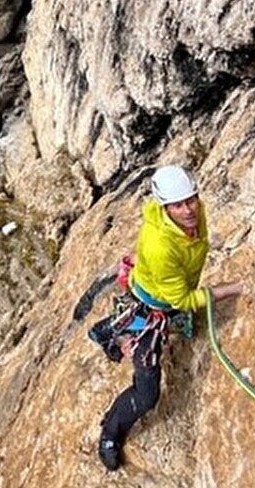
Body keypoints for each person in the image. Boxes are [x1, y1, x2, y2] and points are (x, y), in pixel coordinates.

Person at [94, 164, 243, 471]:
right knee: (147, 394)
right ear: (165, 207)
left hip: (163, 292)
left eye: (191, 199)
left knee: (182, 324)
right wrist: (232, 289)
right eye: (178, 205)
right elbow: (183, 299)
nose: (188, 209)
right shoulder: (162, 246)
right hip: (152, 305)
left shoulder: (190, 216)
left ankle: (108, 330)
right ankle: (110, 432)